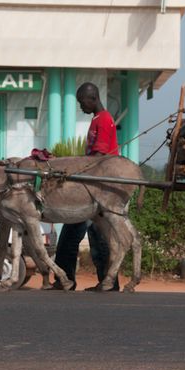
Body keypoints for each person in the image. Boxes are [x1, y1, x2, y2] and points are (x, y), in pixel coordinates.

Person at [52, 82, 120, 291]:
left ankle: (107, 282)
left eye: (82, 102)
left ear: (93, 99)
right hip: (89, 188)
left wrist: (72, 169)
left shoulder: (104, 120)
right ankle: (68, 280)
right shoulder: (97, 120)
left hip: (97, 190)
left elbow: (97, 158)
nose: (81, 107)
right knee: (73, 235)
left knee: (94, 237)